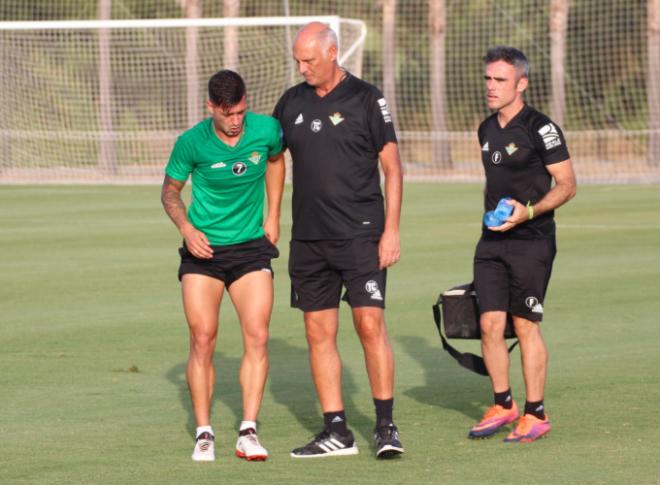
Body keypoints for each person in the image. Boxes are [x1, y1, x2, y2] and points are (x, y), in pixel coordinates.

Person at [273, 22, 404, 459]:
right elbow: (274, 160)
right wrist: (271, 215)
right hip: (309, 239)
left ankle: (386, 426)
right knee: (317, 332)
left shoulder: (368, 99)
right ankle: (337, 431)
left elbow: (393, 168)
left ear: (332, 53)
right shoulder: (290, 102)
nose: (302, 67)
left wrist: (392, 230)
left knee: (370, 325)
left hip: (361, 234)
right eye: (297, 60)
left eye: (308, 59)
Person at [161, 69, 285, 461]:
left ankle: (248, 430)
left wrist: (274, 215)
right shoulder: (191, 142)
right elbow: (169, 191)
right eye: (228, 114)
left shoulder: (266, 130)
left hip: (251, 248)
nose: (235, 122)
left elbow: (277, 161)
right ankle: (204, 432)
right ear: (211, 107)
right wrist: (185, 228)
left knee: (258, 335)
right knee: (203, 338)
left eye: (241, 113)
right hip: (204, 253)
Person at [468, 46, 576, 442]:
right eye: (488, 79)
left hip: (532, 239)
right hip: (491, 240)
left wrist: (527, 212)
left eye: (500, 80)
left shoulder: (541, 128)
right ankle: (503, 404)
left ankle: (536, 413)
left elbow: (567, 185)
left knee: (525, 324)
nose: (491, 87)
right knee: (489, 324)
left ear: (521, 83)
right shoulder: (485, 128)